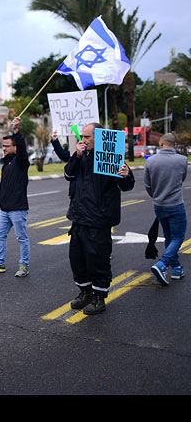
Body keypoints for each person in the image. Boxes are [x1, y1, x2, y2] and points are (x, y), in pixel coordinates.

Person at [64, 122, 134, 314]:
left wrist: (125, 175)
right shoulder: (81, 157)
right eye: (82, 137)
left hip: (99, 220)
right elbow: (68, 174)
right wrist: (76, 156)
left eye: (87, 137)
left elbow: (128, 185)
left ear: (99, 137)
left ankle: (98, 297)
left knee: (98, 260)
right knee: (77, 260)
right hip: (79, 218)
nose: (83, 140)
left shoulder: (112, 157)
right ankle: (85, 292)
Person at [0, 116, 30, 277]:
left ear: (15, 147)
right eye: (2, 146)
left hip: (18, 208)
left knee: (22, 238)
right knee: (0, 234)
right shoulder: (7, 163)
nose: (3, 149)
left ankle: (24, 266)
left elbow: (23, 149)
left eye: (6, 146)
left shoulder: (22, 161)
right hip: (5, 209)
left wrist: (16, 131)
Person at [144, 132, 187, 285]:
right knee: (177, 238)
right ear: (175, 145)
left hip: (159, 206)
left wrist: (156, 196)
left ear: (161, 144)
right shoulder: (182, 160)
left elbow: (148, 185)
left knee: (169, 237)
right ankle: (162, 264)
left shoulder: (150, 161)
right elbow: (182, 179)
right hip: (175, 205)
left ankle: (176, 268)